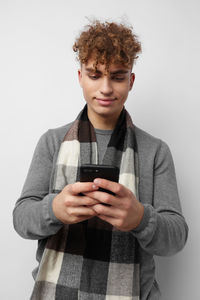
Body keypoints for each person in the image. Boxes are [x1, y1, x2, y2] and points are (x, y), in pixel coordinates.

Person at [13, 20, 188, 300]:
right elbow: (21, 219)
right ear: (80, 76)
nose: (106, 88)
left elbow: (177, 237)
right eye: (95, 75)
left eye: (117, 76)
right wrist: (54, 209)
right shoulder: (52, 141)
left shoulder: (155, 150)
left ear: (130, 80)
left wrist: (140, 219)